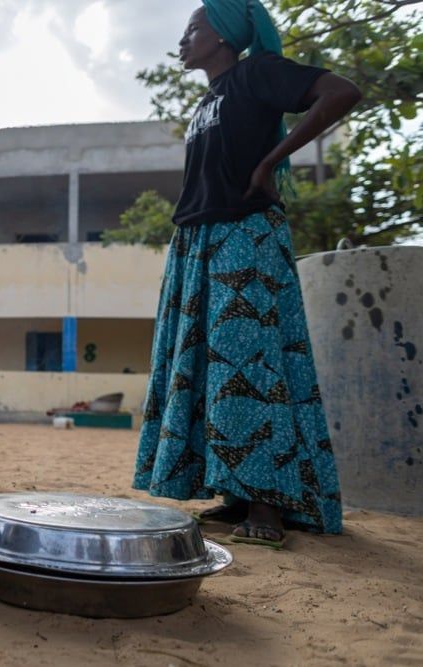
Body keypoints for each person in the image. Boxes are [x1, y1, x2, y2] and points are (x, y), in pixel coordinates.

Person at [132, 1, 362, 548]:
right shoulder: (207, 100)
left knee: (249, 359)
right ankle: (236, 492)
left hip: (245, 234)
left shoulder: (257, 73)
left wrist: (270, 161)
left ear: (224, 36)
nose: (183, 41)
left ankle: (268, 505)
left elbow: (343, 92)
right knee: (212, 369)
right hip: (197, 240)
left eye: (193, 30)